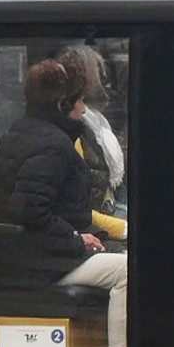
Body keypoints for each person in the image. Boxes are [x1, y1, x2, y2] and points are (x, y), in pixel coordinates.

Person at [0, 58, 128, 347]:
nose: (84, 108)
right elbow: (29, 208)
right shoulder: (54, 145)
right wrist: (75, 239)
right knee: (129, 272)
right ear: (62, 104)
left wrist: (88, 231)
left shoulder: (25, 131)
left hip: (30, 252)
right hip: (41, 258)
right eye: (80, 101)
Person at [54, 46, 126, 241]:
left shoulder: (98, 121)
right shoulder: (72, 133)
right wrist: (122, 228)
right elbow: (77, 209)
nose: (104, 79)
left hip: (108, 206)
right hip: (98, 215)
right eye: (98, 72)